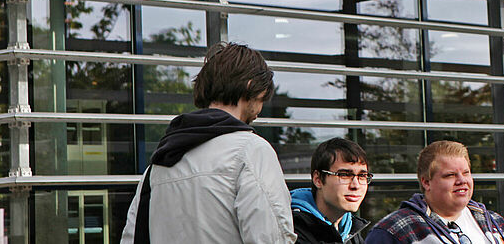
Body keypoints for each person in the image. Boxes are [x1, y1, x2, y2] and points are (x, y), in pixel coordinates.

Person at [120, 42, 295, 243]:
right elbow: (272, 238)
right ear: (249, 86)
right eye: (262, 98)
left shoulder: (157, 166)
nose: (260, 110)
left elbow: (131, 238)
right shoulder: (251, 152)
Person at [365, 140, 504, 244]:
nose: (462, 180)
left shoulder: (495, 222)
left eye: (466, 173)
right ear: (426, 182)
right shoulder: (394, 231)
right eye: (450, 175)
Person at [291, 138, 373, 243]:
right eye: (344, 175)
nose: (355, 185)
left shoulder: (349, 231)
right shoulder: (291, 233)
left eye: (362, 176)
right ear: (318, 179)